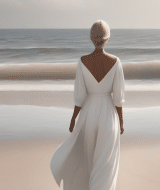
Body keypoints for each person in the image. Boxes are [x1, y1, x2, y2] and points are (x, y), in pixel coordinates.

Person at [50, 20, 125, 190]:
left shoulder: (83, 61)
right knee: (105, 167)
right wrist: (121, 121)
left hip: (89, 115)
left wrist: (73, 118)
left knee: (88, 163)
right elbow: (118, 98)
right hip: (108, 115)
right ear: (108, 39)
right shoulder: (116, 62)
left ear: (91, 38)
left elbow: (80, 96)